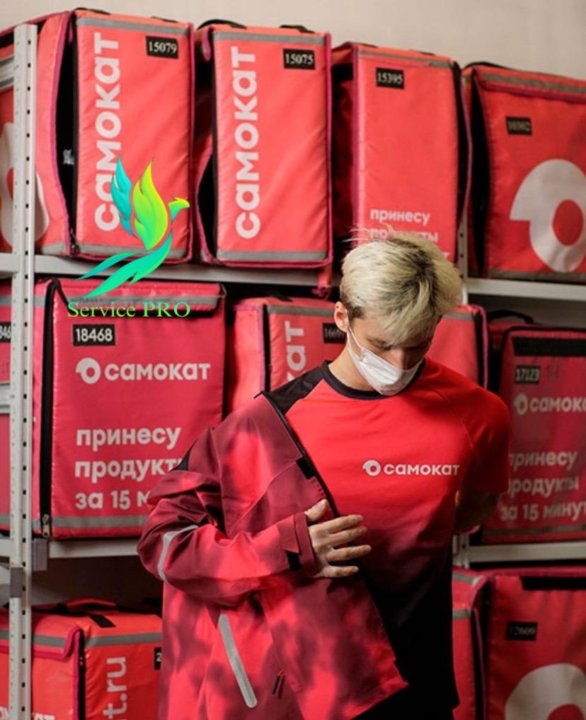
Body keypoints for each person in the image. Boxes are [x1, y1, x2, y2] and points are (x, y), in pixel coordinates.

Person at [137, 232, 511, 720]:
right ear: (341, 318)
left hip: (420, 684)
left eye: (417, 343)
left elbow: (473, 509)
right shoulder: (269, 426)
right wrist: (285, 550)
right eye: (382, 344)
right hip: (310, 694)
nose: (398, 363)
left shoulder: (479, 415)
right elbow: (162, 542)